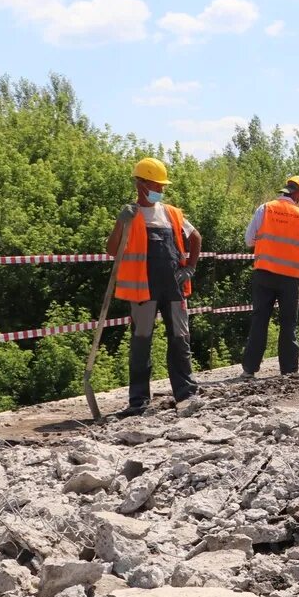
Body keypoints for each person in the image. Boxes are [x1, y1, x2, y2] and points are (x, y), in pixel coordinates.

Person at [105, 157, 202, 416]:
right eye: (156, 184)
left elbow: (195, 238)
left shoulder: (171, 213)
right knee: (141, 343)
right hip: (142, 290)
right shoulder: (131, 214)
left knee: (180, 339)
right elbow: (112, 250)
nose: (161, 189)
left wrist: (190, 268)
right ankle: (138, 402)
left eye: (162, 184)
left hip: (174, 288)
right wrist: (119, 222)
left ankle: (186, 394)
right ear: (140, 184)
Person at [240, 176, 299, 378]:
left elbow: (248, 240)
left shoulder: (265, 208)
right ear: (298, 194)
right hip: (289, 278)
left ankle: (249, 369)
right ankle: (288, 370)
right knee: (288, 324)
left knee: (259, 321)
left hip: (263, 273)